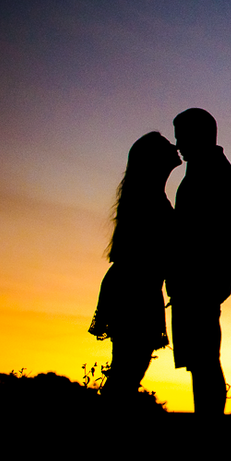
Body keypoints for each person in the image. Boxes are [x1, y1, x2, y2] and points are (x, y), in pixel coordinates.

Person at [89, 132, 181, 403]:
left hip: (138, 287)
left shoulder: (148, 195)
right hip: (134, 289)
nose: (174, 146)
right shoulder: (147, 198)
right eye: (167, 145)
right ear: (154, 159)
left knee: (128, 370)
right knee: (127, 372)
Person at [167, 108, 231, 415]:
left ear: (200, 135)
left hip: (201, 281)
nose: (177, 145)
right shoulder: (203, 169)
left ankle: (208, 426)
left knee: (204, 361)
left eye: (182, 137)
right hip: (198, 281)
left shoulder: (211, 172)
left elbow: (205, 232)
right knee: (201, 361)